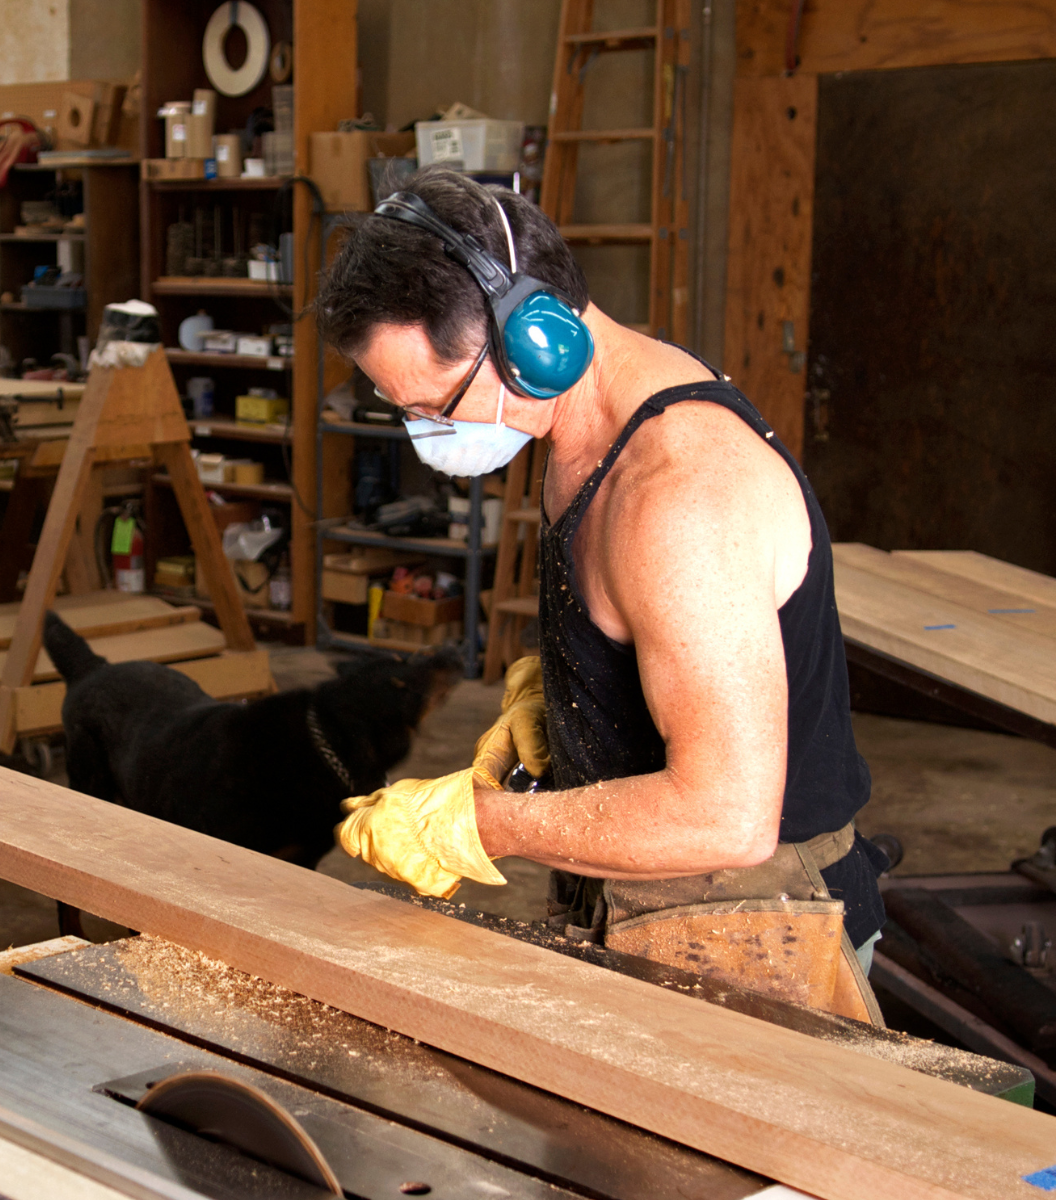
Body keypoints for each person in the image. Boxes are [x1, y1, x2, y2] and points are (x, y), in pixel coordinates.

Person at [315, 165, 887, 1022]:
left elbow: (726, 819)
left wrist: (481, 823)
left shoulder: (676, 497)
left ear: (537, 342)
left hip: (761, 920)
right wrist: (573, 694)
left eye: (438, 407)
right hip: (645, 888)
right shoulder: (582, 419)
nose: (430, 434)